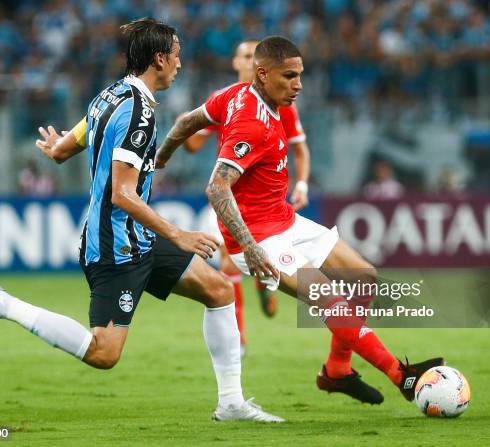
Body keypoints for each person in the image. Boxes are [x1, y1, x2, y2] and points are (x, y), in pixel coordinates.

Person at [0, 18, 282, 423]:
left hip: (138, 235)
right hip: (116, 245)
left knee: (219, 291)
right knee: (104, 353)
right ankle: (0, 303)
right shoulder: (140, 114)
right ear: (160, 59)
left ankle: (231, 403)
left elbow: (62, 151)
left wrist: (56, 146)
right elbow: (123, 194)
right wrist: (178, 234)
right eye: (177, 55)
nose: (181, 63)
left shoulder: (108, 94)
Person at [156, 35, 444, 405]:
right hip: (261, 238)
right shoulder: (251, 122)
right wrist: (250, 247)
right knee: (331, 300)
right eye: (289, 76)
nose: (299, 84)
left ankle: (337, 370)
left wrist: (161, 157)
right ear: (262, 74)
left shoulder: (237, 94)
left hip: (285, 220)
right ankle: (401, 376)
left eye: (300, 75)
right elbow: (216, 188)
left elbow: (186, 121)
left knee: (365, 277)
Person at [182, 39, 311, 351]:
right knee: (228, 263)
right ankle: (239, 334)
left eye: (254, 55)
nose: (249, 60)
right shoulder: (224, 99)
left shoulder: (281, 101)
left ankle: (257, 292)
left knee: (233, 263)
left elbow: (299, 148)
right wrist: (194, 128)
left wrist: (302, 184)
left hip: (264, 202)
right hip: (230, 197)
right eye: (244, 55)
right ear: (236, 62)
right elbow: (193, 143)